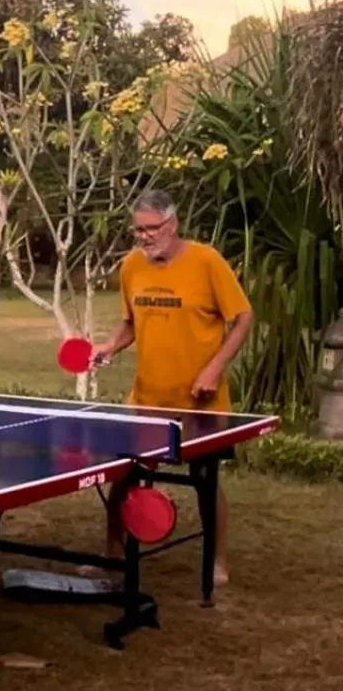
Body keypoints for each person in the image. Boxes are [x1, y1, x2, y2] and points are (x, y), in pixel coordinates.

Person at [92, 189, 254, 585]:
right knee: (122, 478)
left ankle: (217, 561)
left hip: (201, 404)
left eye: (152, 229)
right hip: (147, 400)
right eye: (138, 230)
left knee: (205, 481)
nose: (145, 237)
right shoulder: (131, 266)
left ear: (173, 224)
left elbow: (244, 317)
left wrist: (214, 368)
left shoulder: (206, 261)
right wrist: (109, 346)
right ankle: (113, 554)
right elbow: (131, 322)